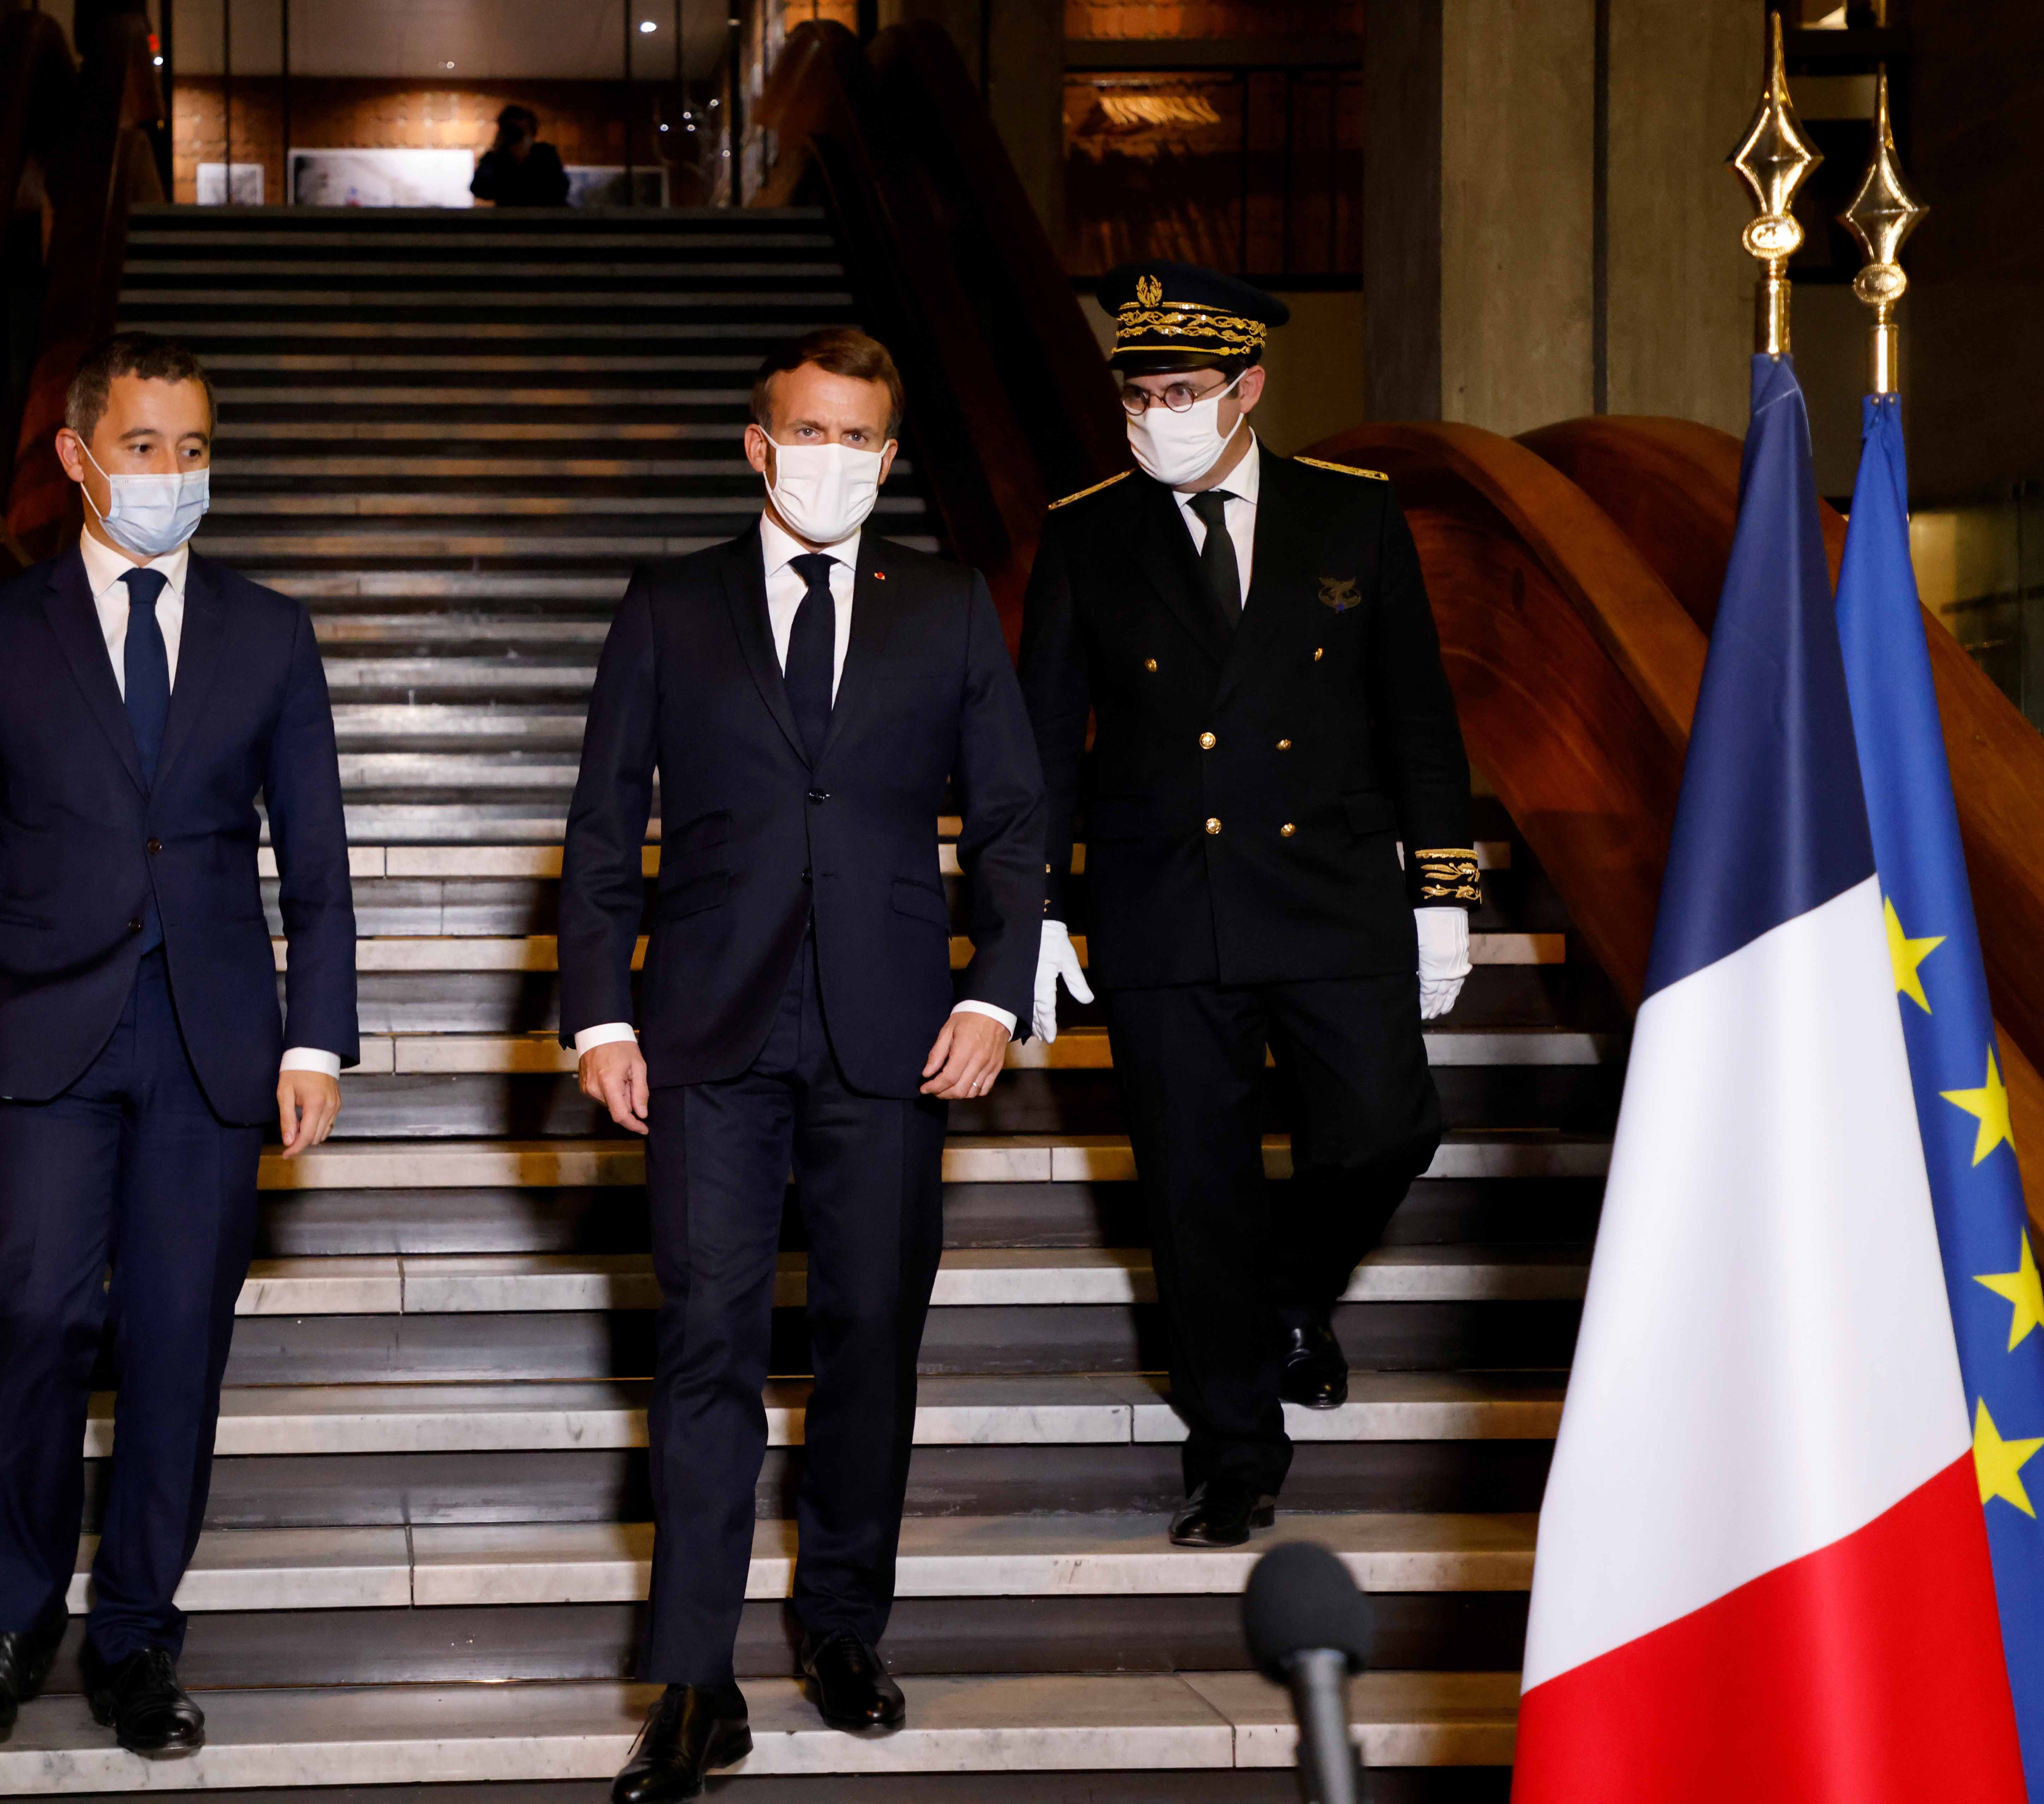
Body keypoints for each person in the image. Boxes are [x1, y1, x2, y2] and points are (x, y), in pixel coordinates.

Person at [561, 328, 1045, 1802]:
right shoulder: (669, 602)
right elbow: (602, 829)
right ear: (758, 443)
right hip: (705, 1032)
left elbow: (1010, 821)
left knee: (870, 1337)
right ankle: (693, 1682)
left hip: (892, 1034)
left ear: (888, 459)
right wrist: (599, 1017)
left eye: (859, 438)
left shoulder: (946, 608)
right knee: (705, 1343)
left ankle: (840, 1626)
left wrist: (996, 995)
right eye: (808, 431)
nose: (832, 458)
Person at [0, 332, 358, 1754]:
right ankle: (13, 1621)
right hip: (38, 1038)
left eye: (194, 449)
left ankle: (140, 1637)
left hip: (211, 1045)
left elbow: (317, 864)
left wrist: (317, 1042)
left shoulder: (269, 633)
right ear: (77, 457)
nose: (171, 472)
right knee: (36, 1319)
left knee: (174, 1344)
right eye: (144, 445)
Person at [1015, 263, 1479, 1550]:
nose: (1154, 415)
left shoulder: (1351, 510)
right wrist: (1035, 904)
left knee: (1386, 1128)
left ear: (1248, 388)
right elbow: (1044, 739)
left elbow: (1416, 712)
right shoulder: (1086, 531)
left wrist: (1441, 883)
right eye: (1138, 393)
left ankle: (1286, 1292)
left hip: (1333, 893)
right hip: (1165, 904)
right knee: (1193, 1188)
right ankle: (1231, 1451)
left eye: (1181, 391)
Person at [470, 104, 571, 207]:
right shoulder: (496, 158)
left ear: (532, 133)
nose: (514, 136)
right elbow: (479, 189)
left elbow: (561, 188)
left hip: (541, 214)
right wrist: (497, 152)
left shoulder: (545, 154)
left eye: (518, 132)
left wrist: (526, 160)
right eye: (509, 131)